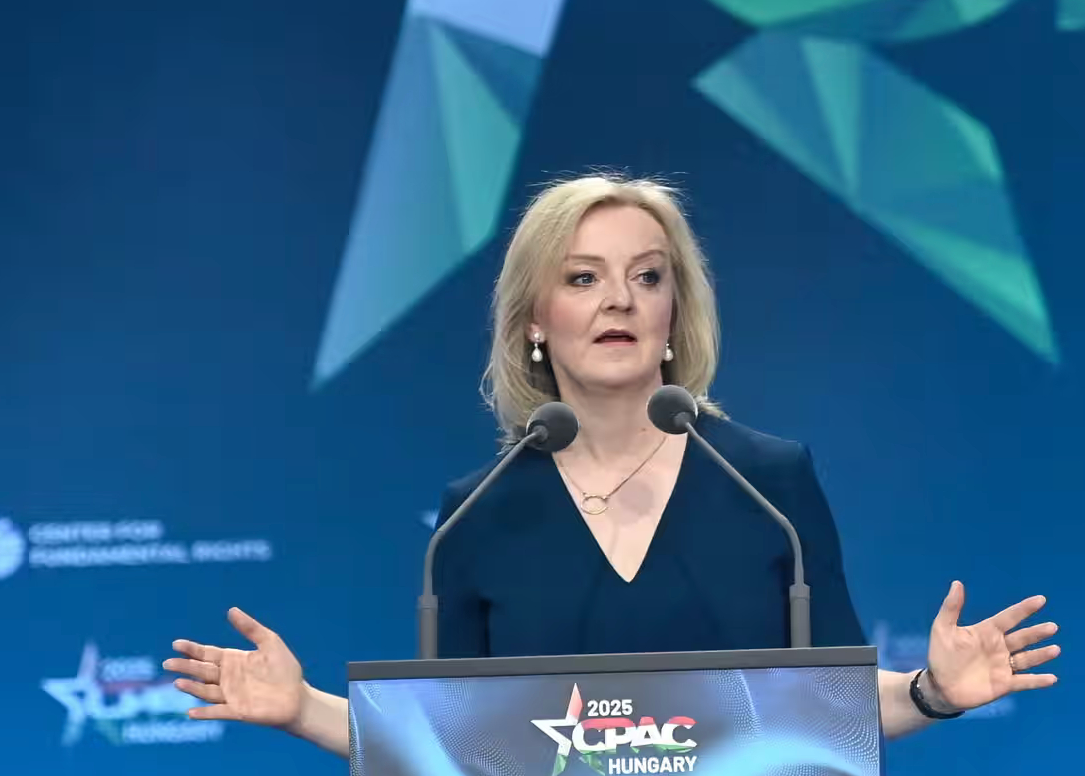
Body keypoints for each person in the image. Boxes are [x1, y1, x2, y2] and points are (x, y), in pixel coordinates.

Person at [164, 173, 1059, 757]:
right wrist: (303, 707)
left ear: (674, 314)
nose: (620, 300)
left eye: (648, 276)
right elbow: (450, 744)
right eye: (583, 277)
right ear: (535, 321)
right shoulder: (477, 515)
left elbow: (832, 707)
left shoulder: (768, 484)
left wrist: (935, 692)